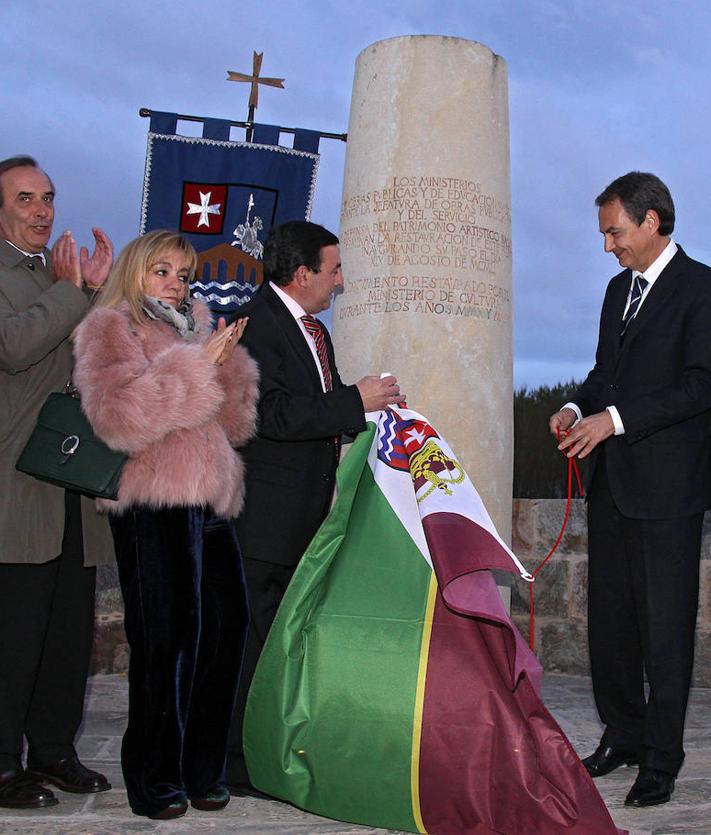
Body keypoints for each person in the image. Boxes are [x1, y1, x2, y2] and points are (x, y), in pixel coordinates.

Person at [71, 230, 259, 820]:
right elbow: (119, 418)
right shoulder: (111, 326)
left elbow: (233, 427)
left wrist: (230, 371)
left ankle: (203, 768)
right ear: (134, 272)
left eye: (183, 274)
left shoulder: (196, 323)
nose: (176, 284)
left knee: (227, 632)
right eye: (162, 272)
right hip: (153, 502)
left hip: (211, 502)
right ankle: (153, 774)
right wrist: (196, 365)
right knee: (168, 641)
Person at [549, 171, 711, 807]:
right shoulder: (617, 290)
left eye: (614, 232)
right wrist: (572, 405)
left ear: (651, 222)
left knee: (665, 629)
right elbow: (603, 376)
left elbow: (701, 386)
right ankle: (622, 735)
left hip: (669, 491)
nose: (607, 246)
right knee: (610, 625)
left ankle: (661, 759)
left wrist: (612, 421)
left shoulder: (702, 290)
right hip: (612, 487)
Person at [225, 220, 404, 794]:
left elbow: (308, 407)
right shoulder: (259, 327)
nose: (341, 281)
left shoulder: (308, 330)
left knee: (278, 639)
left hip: (299, 516)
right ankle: (236, 760)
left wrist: (365, 409)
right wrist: (354, 400)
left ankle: (269, 746)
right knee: (249, 646)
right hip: (264, 523)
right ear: (302, 274)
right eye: (334, 269)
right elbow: (270, 416)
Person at [0, 155, 115, 810]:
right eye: (25, 199)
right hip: (18, 486)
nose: (42, 210)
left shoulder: (60, 278)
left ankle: (53, 751)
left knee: (66, 633)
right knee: (14, 635)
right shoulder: (36, 282)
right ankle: (2, 764)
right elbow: (15, 345)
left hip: (73, 483)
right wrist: (74, 293)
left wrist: (97, 296)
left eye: (47, 198)